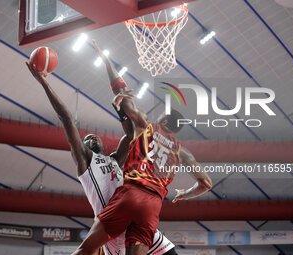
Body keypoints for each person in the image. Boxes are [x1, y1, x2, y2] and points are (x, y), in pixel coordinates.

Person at [71, 43, 212, 255]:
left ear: (163, 119)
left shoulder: (147, 126)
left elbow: (122, 93)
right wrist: (184, 194)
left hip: (131, 193)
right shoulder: (182, 152)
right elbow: (206, 184)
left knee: (86, 249)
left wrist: (106, 60)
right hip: (153, 205)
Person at [26, 62, 177, 255]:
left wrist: (120, 110)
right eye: (87, 138)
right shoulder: (85, 161)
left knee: (168, 249)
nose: (92, 136)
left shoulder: (114, 159)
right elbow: (66, 118)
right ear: (83, 147)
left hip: (134, 219)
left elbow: (130, 134)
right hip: (112, 228)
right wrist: (44, 83)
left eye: (94, 136)